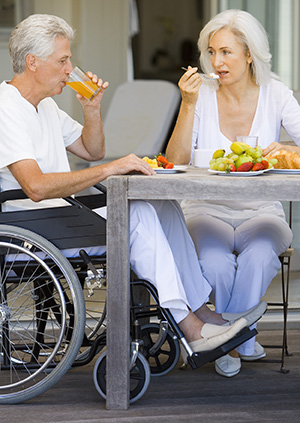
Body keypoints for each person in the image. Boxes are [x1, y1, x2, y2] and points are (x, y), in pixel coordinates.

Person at [0, 14, 265, 361]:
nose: (70, 69)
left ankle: (202, 311)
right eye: (63, 60)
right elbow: (34, 187)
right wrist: (110, 170)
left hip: (60, 217)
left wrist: (91, 108)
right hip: (31, 226)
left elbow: (91, 150)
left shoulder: (45, 106)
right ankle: (190, 328)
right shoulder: (7, 107)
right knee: (136, 214)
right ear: (33, 63)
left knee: (163, 206)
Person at [166, 9, 295, 377]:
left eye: (226, 52)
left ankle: (228, 344)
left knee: (257, 259)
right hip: (206, 209)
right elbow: (175, 161)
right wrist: (187, 104)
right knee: (216, 263)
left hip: (262, 211)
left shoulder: (275, 94)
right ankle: (242, 340)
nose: (216, 61)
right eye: (211, 52)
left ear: (249, 54)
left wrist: (283, 150)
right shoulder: (201, 95)